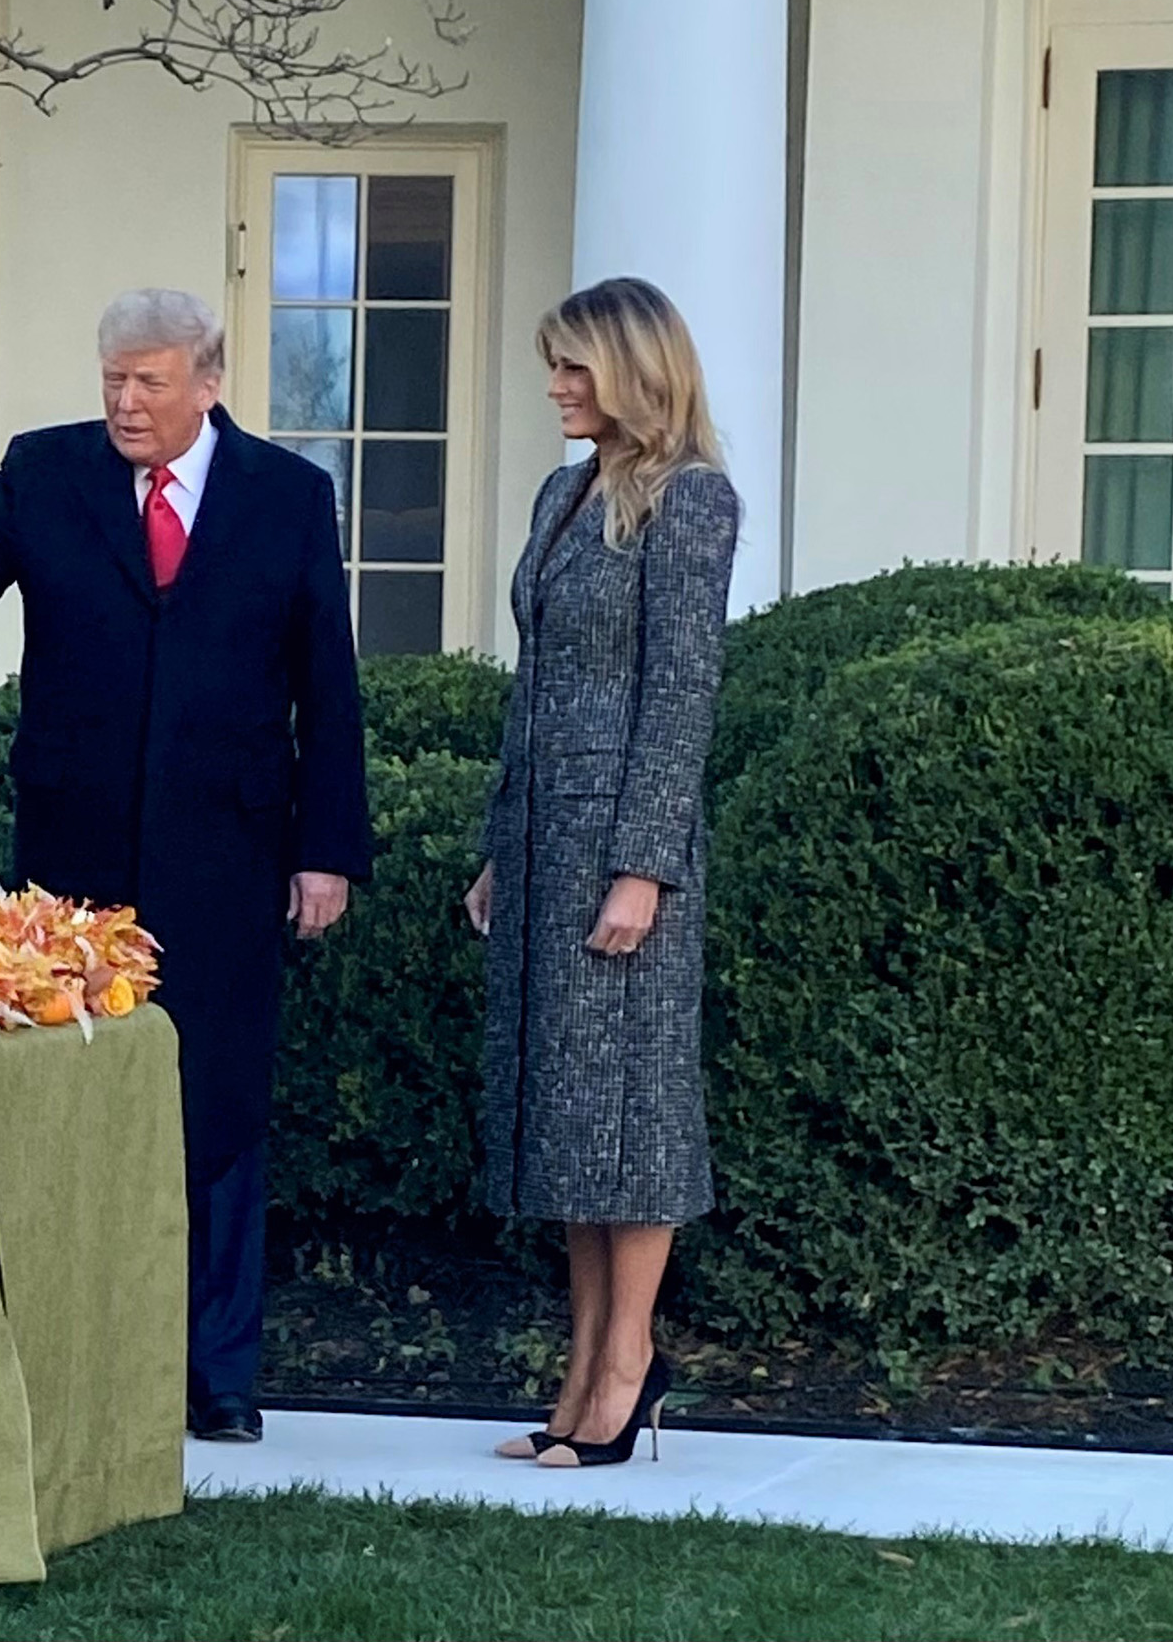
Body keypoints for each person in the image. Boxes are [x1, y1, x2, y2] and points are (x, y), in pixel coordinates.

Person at [0, 288, 372, 1444]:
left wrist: (325, 849)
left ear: (207, 381)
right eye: (112, 379)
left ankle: (217, 1375)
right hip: (73, 852)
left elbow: (327, 687)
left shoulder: (287, 495)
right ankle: (80, 1355)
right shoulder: (46, 470)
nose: (124, 402)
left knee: (215, 1103)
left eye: (150, 382)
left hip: (228, 848)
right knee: (74, 1096)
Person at [462, 277, 740, 1471]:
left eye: (572, 368)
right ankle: (582, 1364)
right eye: (553, 366)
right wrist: (495, 844)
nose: (554, 387)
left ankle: (627, 1366)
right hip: (540, 841)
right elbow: (533, 691)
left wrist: (640, 870)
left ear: (633, 370)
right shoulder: (560, 490)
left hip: (622, 853)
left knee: (630, 1120)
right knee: (569, 1124)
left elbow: (679, 697)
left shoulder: (691, 503)